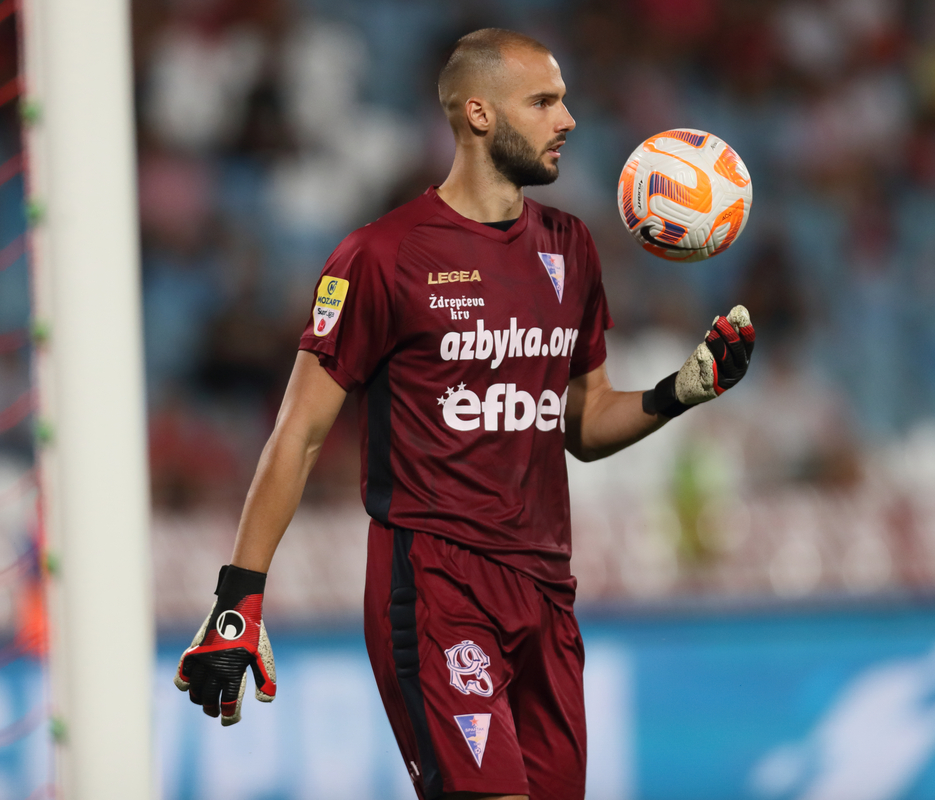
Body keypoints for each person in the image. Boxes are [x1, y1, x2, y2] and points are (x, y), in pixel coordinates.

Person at [174, 27, 755, 800]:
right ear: (479, 114)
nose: (568, 120)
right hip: (436, 583)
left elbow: (579, 426)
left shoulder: (571, 248)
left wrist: (680, 391)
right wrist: (238, 597)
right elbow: (301, 432)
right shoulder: (381, 256)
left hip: (548, 591)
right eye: (545, 101)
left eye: (566, 99)